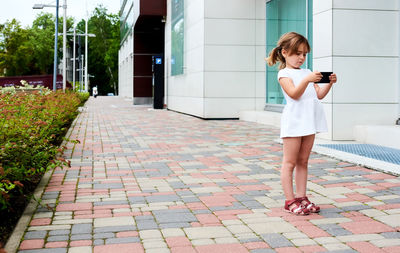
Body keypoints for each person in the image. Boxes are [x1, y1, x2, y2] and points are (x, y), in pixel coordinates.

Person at [266, 32, 337, 215]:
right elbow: (294, 94)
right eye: (297, 53)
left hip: (309, 121)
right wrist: (307, 79)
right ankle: (290, 201)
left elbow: (318, 95)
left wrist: (329, 83)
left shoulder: (307, 73)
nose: (301, 58)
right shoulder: (284, 74)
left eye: (304, 54)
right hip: (294, 122)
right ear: (284, 52)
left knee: (303, 161)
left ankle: (302, 197)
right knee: (289, 162)